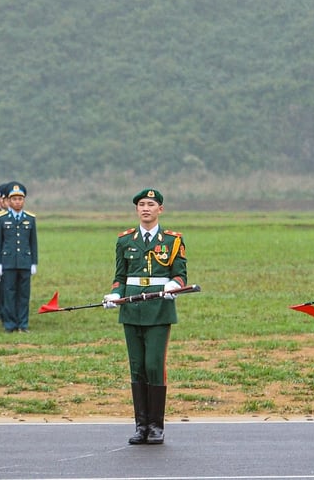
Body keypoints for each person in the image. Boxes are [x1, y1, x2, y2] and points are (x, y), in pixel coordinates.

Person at [102, 188, 186, 445]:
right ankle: (141, 426)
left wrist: (174, 286)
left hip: (159, 308)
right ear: (136, 210)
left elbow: (181, 275)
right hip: (132, 308)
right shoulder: (125, 240)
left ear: (160, 209)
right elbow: (120, 276)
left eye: (151, 204)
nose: (146, 208)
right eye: (141, 204)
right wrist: (114, 294)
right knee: (136, 366)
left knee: (153, 365)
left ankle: (156, 426)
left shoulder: (172, 241)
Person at [0, 182, 37, 332]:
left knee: (24, 295)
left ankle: (23, 323)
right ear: (9, 201)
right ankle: (10, 324)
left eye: (20, 199)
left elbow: (33, 242)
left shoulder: (30, 218)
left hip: (24, 261)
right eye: (14, 199)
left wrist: (34, 262)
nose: (17, 202)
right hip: (7, 262)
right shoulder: (2, 218)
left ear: (24, 200)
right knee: (9, 293)